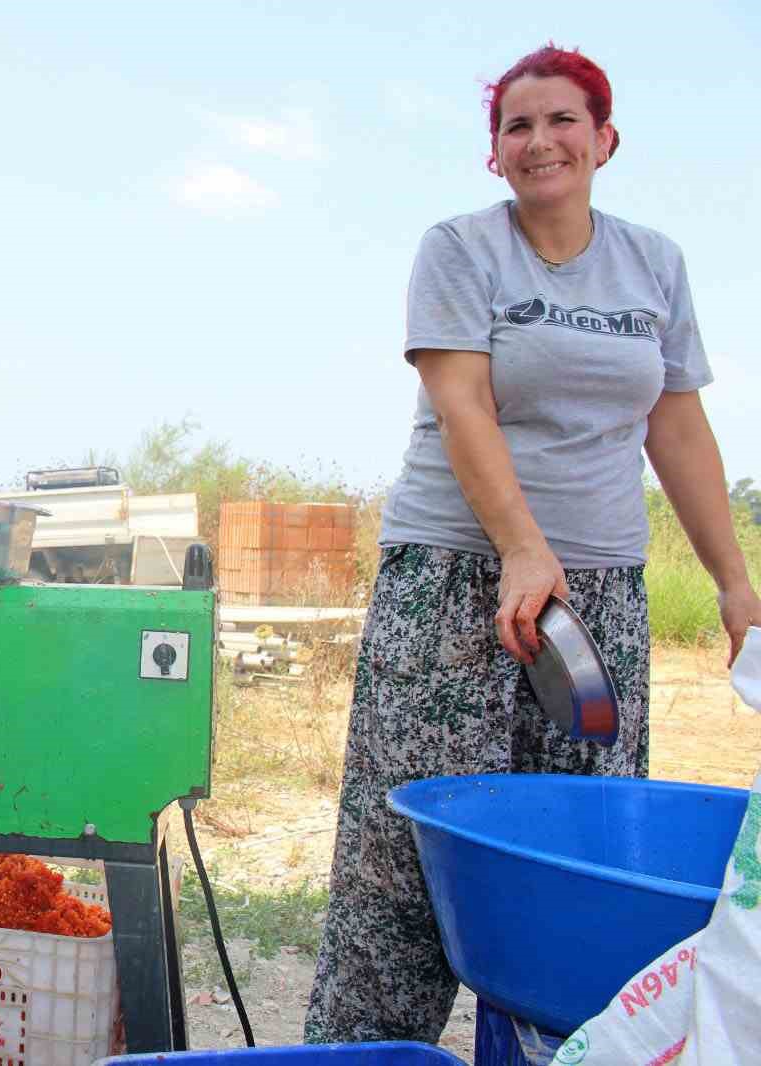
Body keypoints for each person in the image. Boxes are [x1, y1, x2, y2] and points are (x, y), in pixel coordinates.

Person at [304, 43, 761, 1043]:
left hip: (600, 587)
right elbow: (460, 402)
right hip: (456, 577)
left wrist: (735, 583)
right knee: (410, 844)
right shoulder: (461, 249)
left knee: (580, 850)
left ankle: (565, 1052)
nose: (539, 140)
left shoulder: (654, 264)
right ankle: (368, 1054)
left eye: (561, 120)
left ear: (603, 139)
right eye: (516, 125)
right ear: (493, 155)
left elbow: (676, 426)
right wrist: (518, 544)